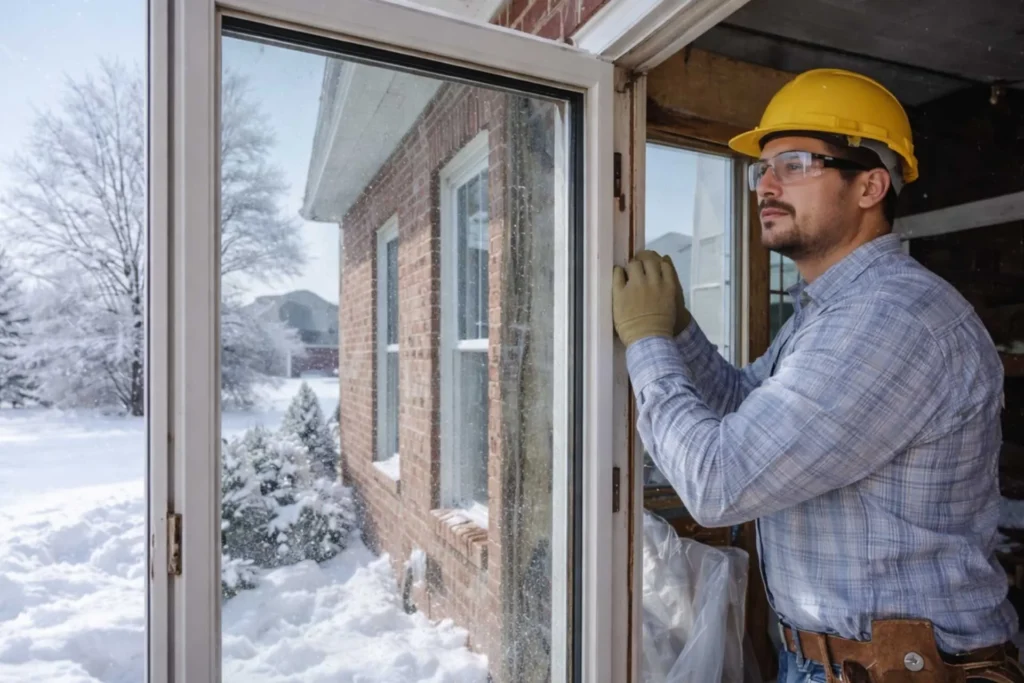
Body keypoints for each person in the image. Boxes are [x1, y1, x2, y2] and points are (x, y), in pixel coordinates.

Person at [612, 68, 1023, 683]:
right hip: (837, 664)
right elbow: (740, 404)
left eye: (797, 163)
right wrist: (675, 330)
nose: (765, 185)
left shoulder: (891, 319)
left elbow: (719, 482)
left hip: (905, 672)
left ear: (871, 186)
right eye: (762, 169)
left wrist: (646, 345)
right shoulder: (830, 313)